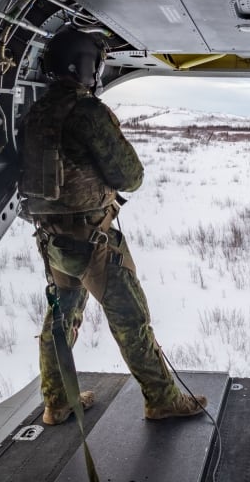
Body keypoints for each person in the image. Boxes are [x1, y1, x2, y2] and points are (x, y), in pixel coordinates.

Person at [18, 27, 206, 425]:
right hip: (92, 242)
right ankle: (162, 399)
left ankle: (57, 401)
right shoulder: (86, 111)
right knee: (131, 319)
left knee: (59, 320)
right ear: (86, 66)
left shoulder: (36, 110)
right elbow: (129, 176)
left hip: (53, 241)